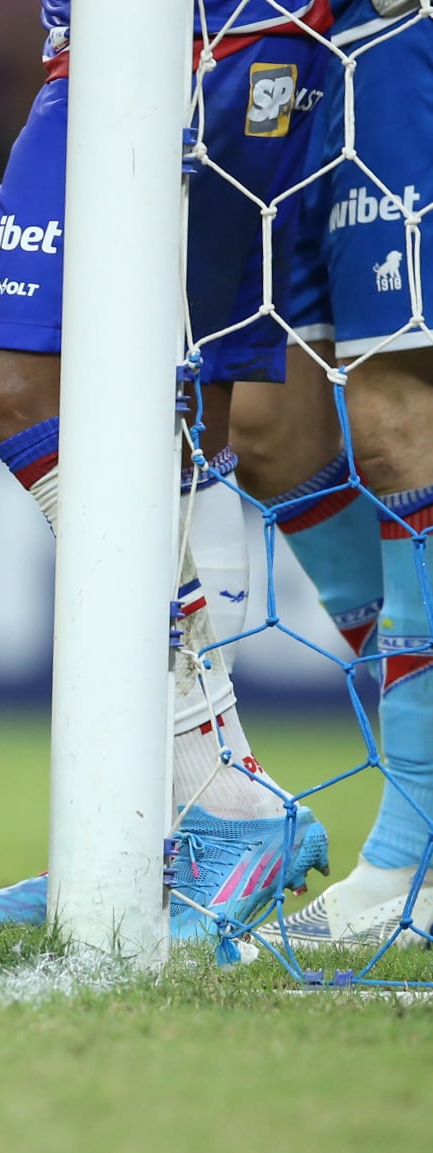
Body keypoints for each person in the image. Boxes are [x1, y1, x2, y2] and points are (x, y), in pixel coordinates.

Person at [0, 0, 337, 940]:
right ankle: (166, 820)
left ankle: (214, 800)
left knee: (27, 396)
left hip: (184, 54)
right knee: (181, 421)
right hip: (168, 53)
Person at [228, 3, 433, 948]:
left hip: (396, 28)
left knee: (398, 406)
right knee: (265, 418)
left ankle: (415, 843)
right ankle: (414, 789)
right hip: (281, 46)